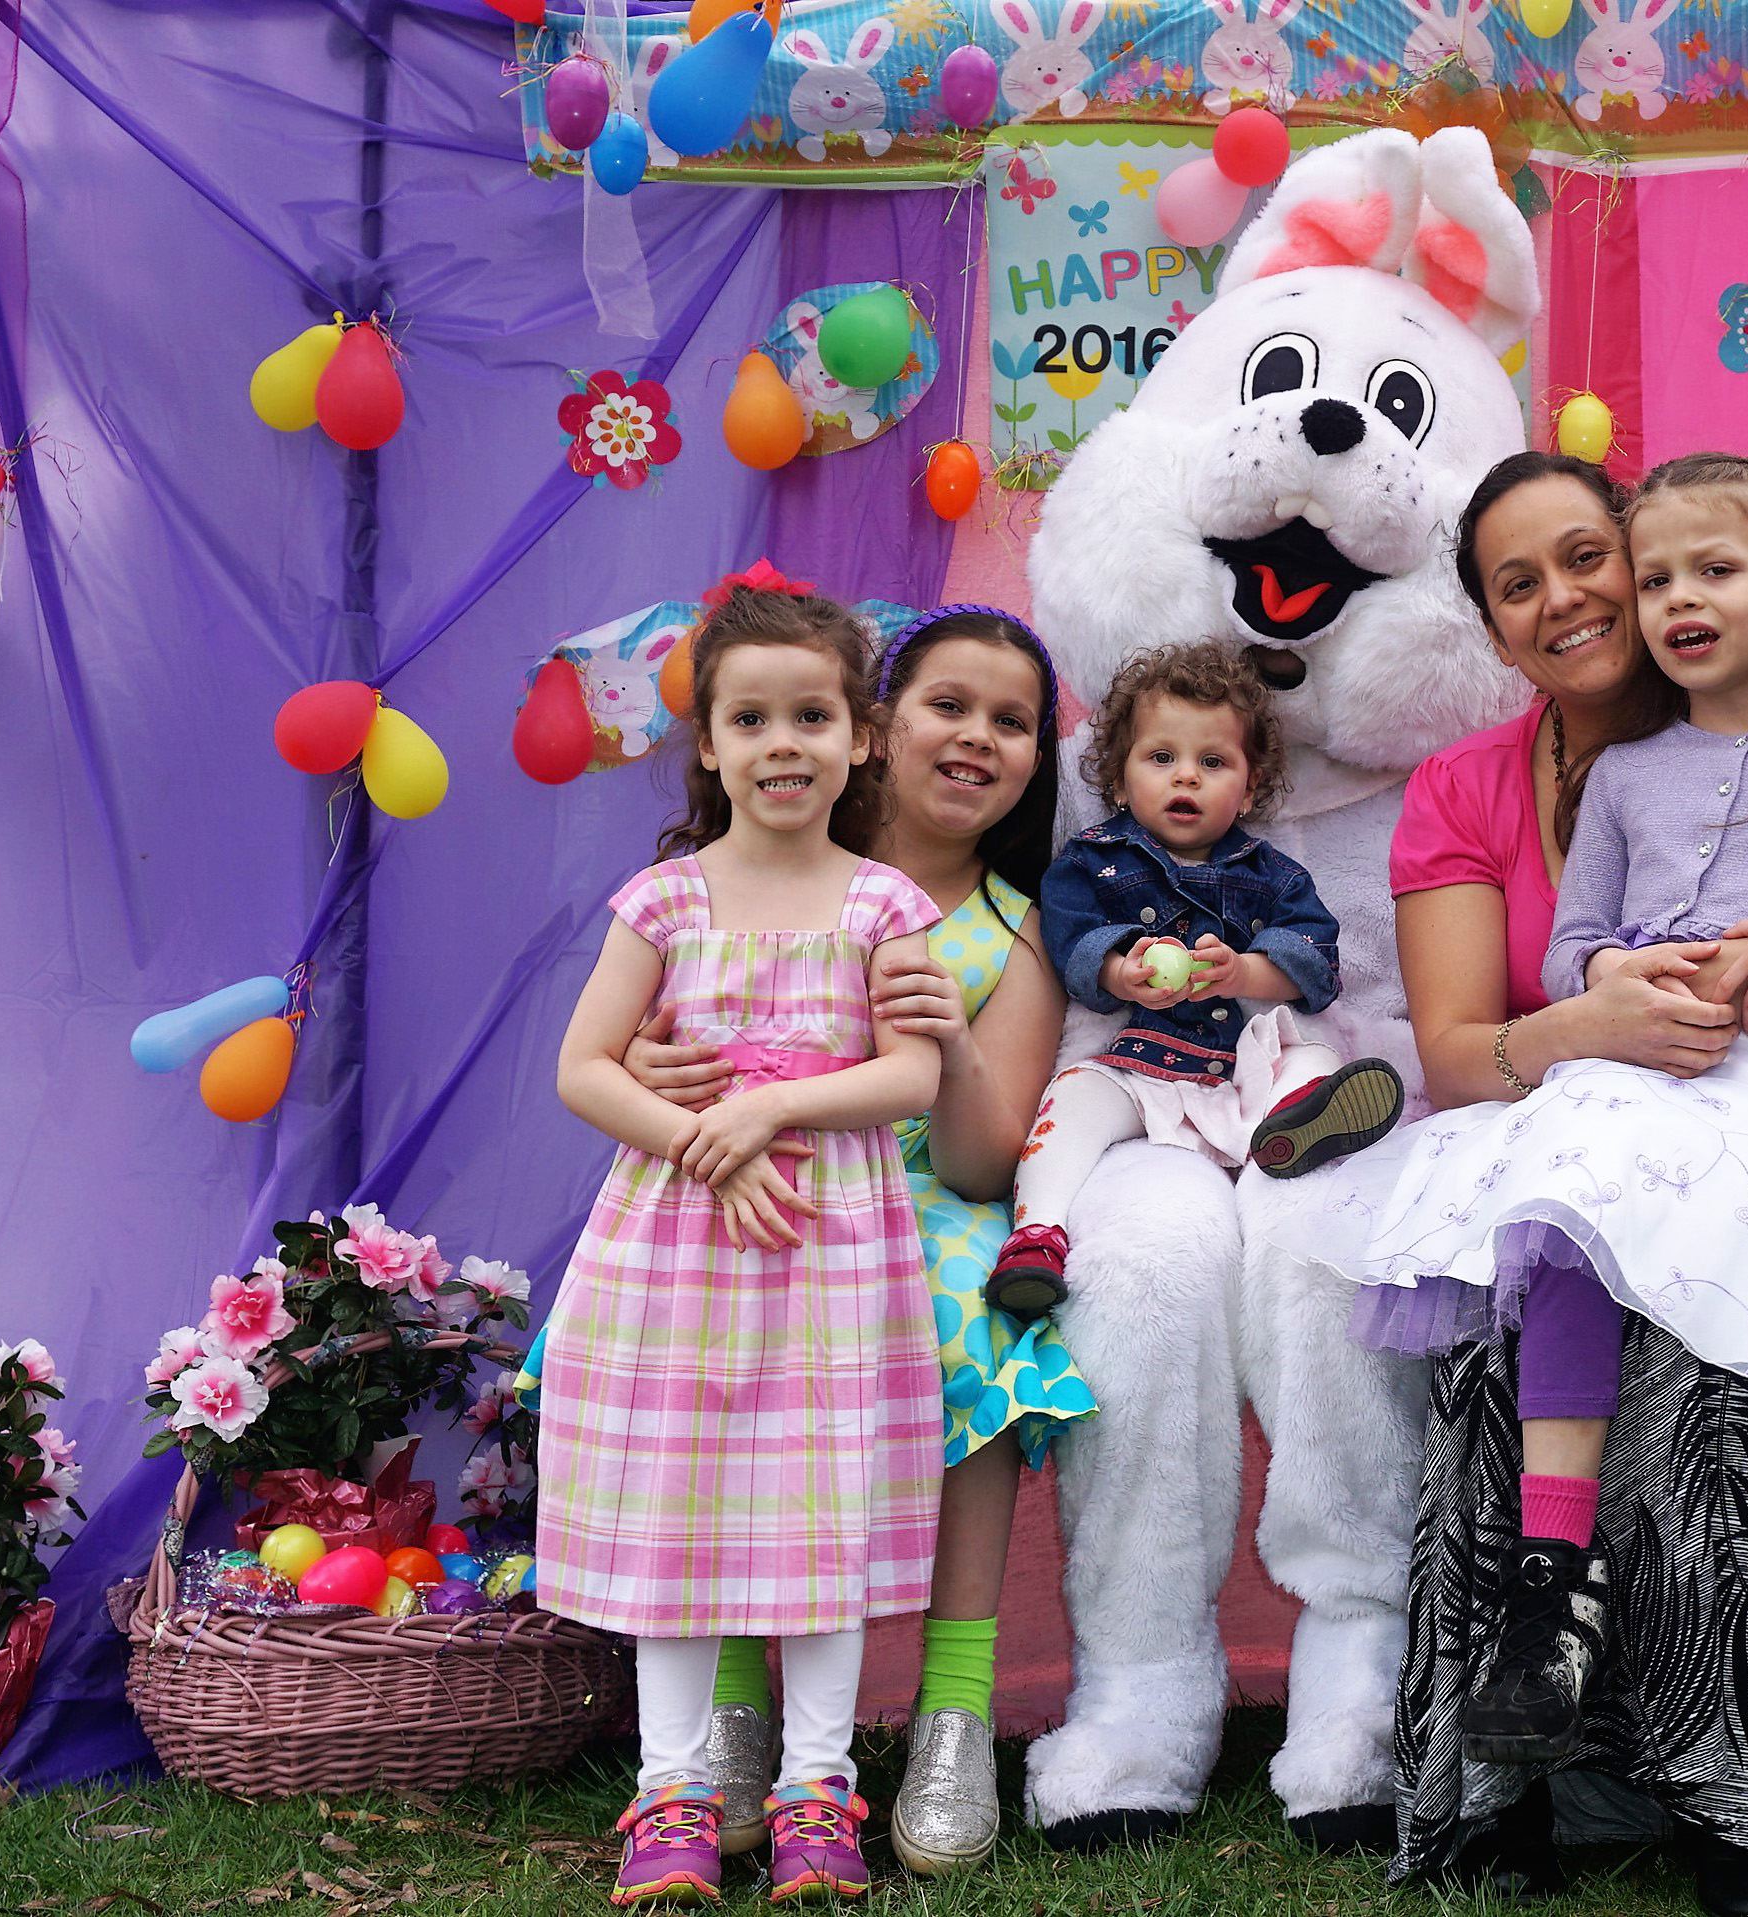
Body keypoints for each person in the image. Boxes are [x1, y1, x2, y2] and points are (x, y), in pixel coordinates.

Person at [1317, 451, 1748, 1914]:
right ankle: (1545, 1606)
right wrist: (1603, 996)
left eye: (1602, 562)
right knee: (1558, 1231)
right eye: (1524, 584)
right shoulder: (1573, 782)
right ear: (1496, 626)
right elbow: (1536, 986)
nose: (1623, 598)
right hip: (1623, 1102)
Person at [620, 605, 1094, 1875]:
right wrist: (661, 1075)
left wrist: (946, 1037)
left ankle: (953, 1708)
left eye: (1012, 723)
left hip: (918, 1197)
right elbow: (635, 1042)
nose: (978, 737)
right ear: (877, 729)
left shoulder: (1016, 927)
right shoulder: (753, 866)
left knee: (970, 1309)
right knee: (725, 1329)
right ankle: (733, 1701)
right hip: (738, 1175)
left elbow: (983, 1164)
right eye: (950, 705)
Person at [537, 565, 946, 1907]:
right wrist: (695, 1142)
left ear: (861, 738)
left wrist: (768, 1109)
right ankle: (673, 1796)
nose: (784, 744)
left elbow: (911, 1076)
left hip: (830, 1255)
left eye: (812, 718)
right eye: (751, 720)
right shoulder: (664, 903)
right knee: (680, 1519)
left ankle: (819, 1794)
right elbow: (585, 1068)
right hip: (676, 1254)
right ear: (707, 745)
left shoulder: (883, 906)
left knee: (819, 1522)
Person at [984, 643, 1405, 1317]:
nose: (1186, 776)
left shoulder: (1273, 874)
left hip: (1244, 1067)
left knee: (1316, 1055)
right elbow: (1070, 941)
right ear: (1119, 781)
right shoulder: (1091, 862)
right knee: (1070, 1100)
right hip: (1138, 1064)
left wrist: (1242, 970)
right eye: (1161, 758)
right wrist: (1122, 971)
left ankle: (1295, 1127)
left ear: (1249, 786)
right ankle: (1037, 1234)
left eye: (1213, 762)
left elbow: (1316, 963)